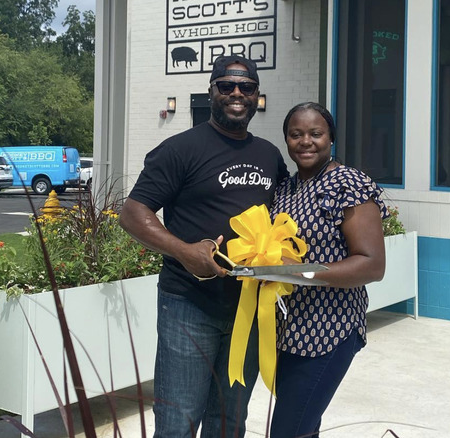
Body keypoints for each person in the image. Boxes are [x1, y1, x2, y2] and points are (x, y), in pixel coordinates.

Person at [119, 55, 288, 438]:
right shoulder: (180, 149)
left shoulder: (269, 154)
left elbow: (284, 215)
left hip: (249, 306)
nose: (236, 94)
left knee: (229, 422)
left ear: (257, 95)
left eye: (246, 87)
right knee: (178, 424)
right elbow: (132, 213)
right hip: (188, 305)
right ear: (211, 91)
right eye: (226, 85)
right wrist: (184, 250)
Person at [269, 102, 389, 438]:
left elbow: (372, 264)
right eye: (296, 134)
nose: (305, 141)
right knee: (304, 426)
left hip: (330, 329)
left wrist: (301, 272)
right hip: (287, 330)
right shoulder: (286, 189)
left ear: (331, 138)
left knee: (288, 430)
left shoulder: (347, 183)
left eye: (315, 133)